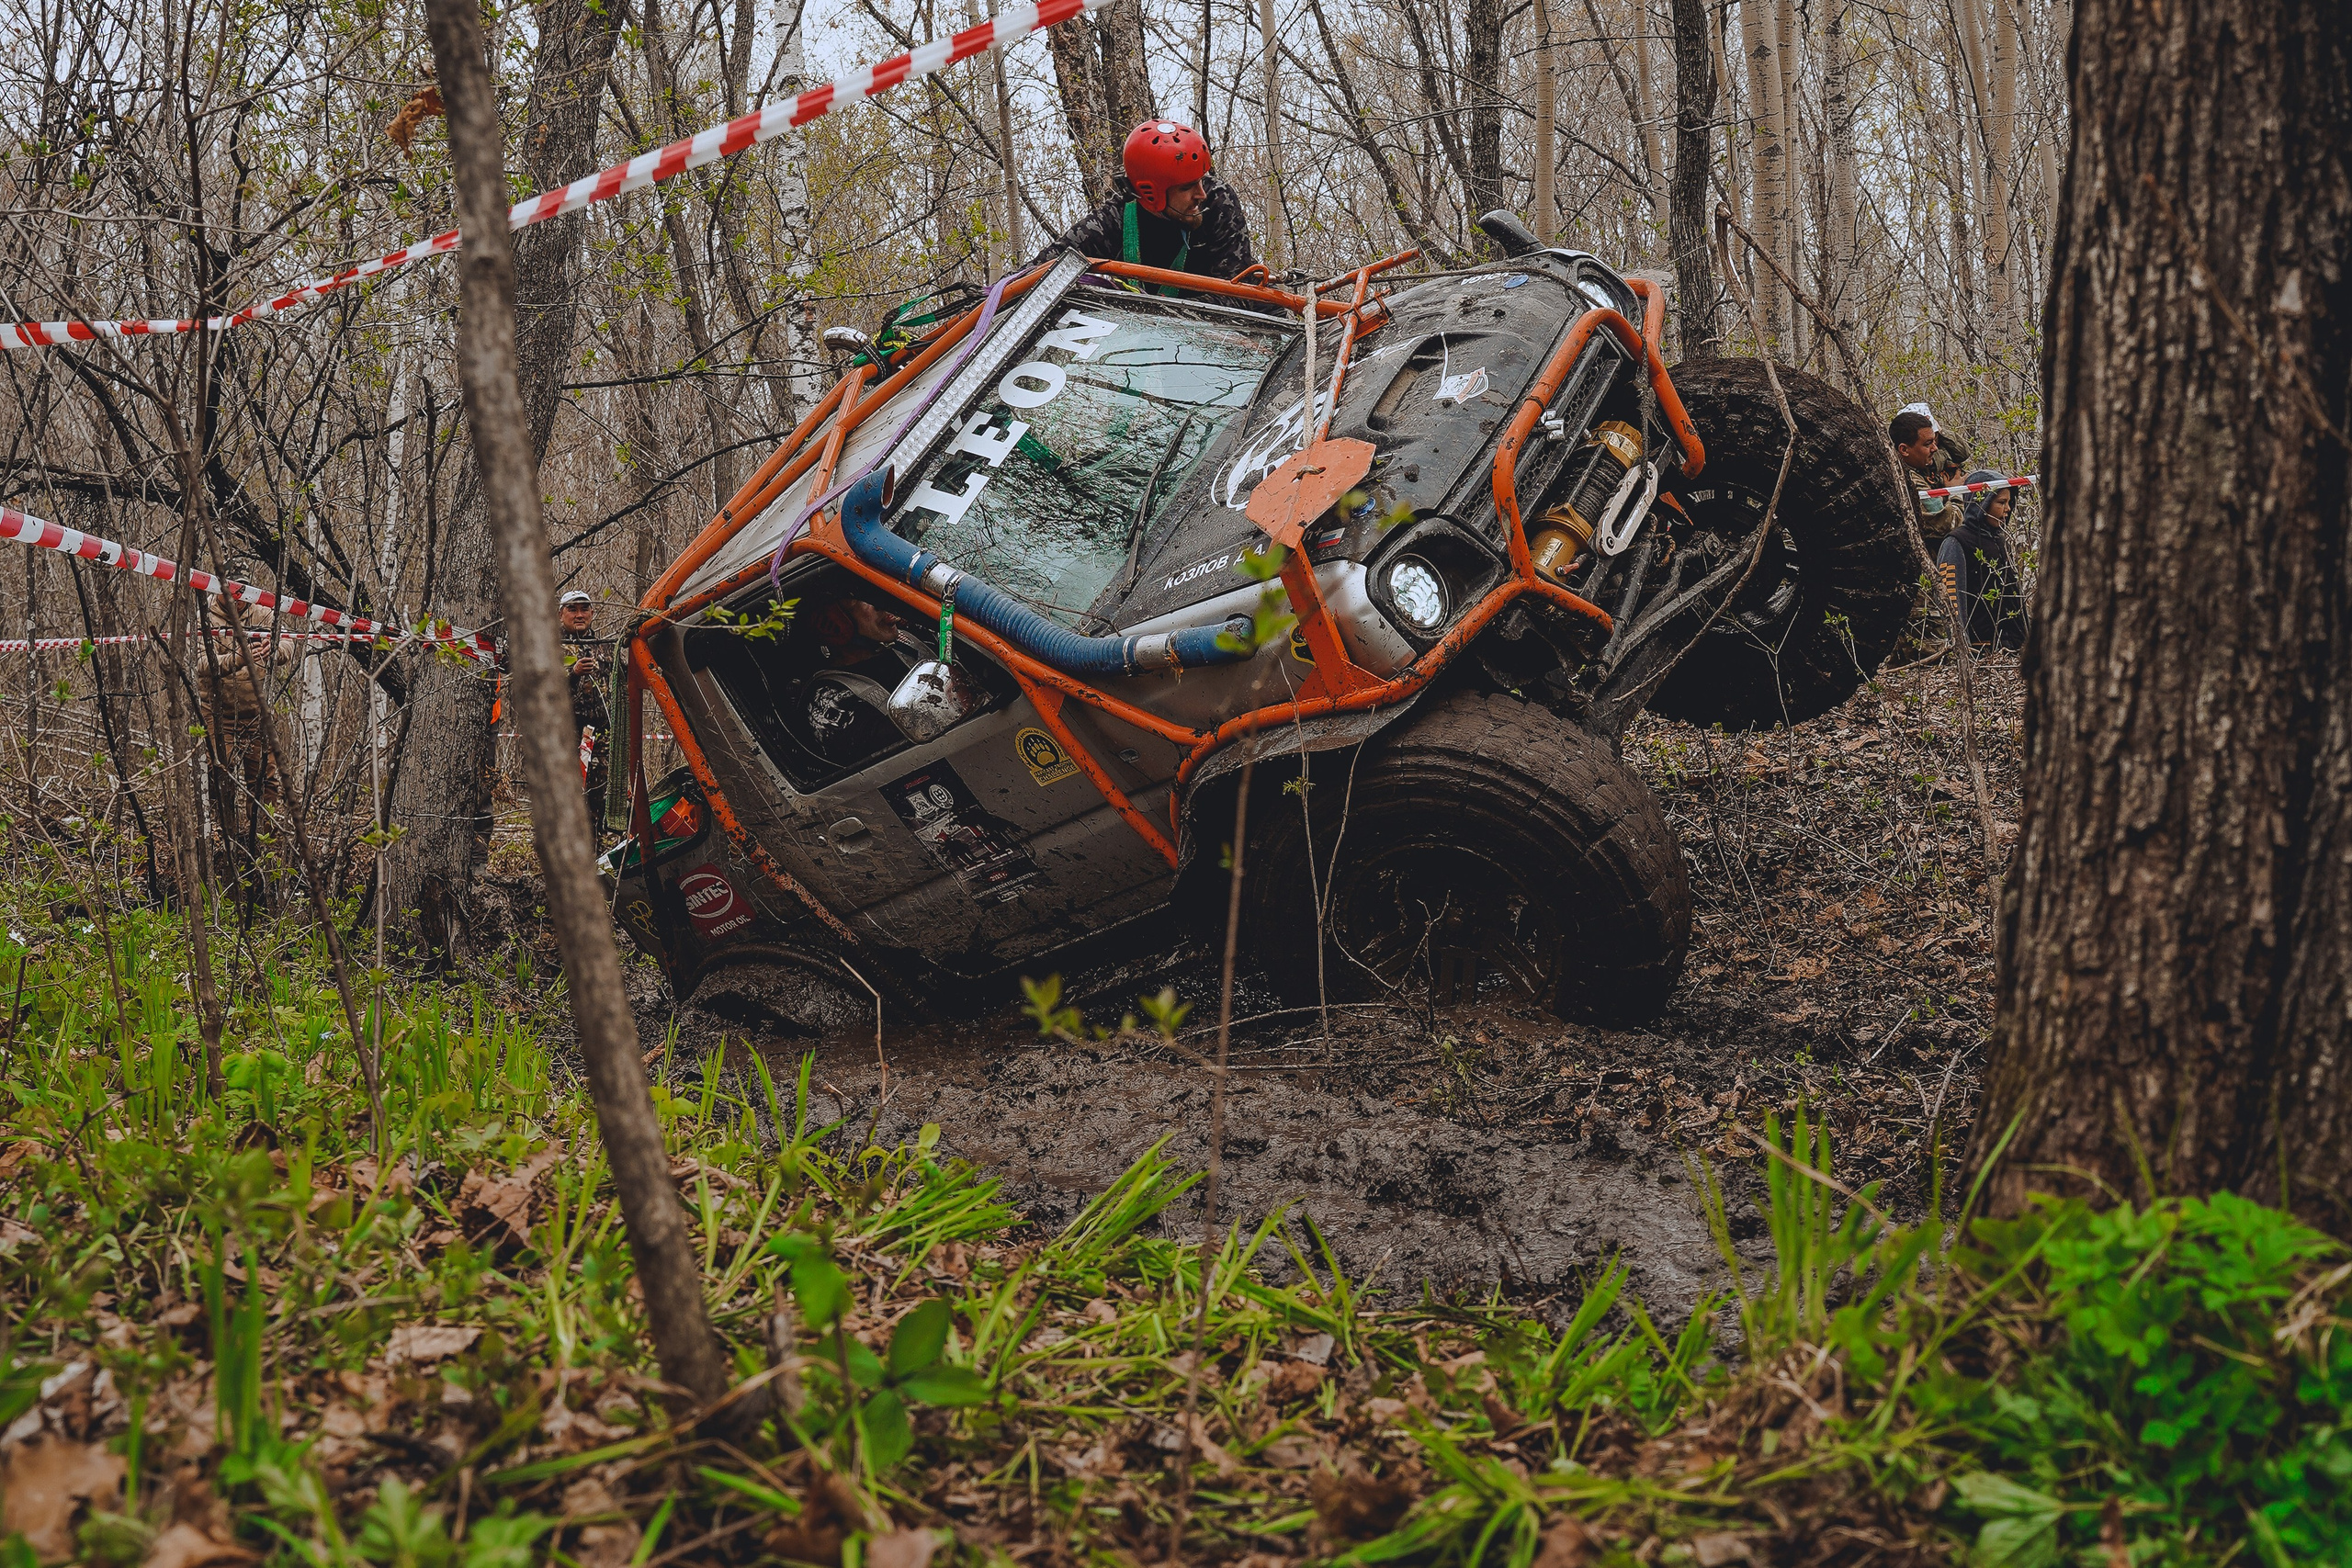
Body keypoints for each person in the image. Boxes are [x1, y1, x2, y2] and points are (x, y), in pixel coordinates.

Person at [1050, 120, 1257, 285]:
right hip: (1152, 332)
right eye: (1186, 187)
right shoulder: (1113, 222)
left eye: (1201, 180)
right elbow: (1034, 275)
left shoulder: (1218, 201)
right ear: (1151, 193)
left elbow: (1238, 292)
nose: (1201, 194)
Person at [1936, 470, 2028, 651]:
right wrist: (1963, 651)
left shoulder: (2001, 540)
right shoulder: (1956, 542)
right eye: (2001, 502)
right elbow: (1951, 602)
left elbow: (2015, 596)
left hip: (2013, 650)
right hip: (1982, 652)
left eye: (2009, 502)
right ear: (1981, 504)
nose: (2008, 509)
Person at [560, 590, 612, 826]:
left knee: (599, 799)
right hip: (564, 738)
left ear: (592, 613)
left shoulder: (606, 647)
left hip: (601, 737)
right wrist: (573, 673)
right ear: (561, 615)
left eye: (584, 609)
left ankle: (597, 856)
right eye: (572, 609)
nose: (579, 615)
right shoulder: (552, 647)